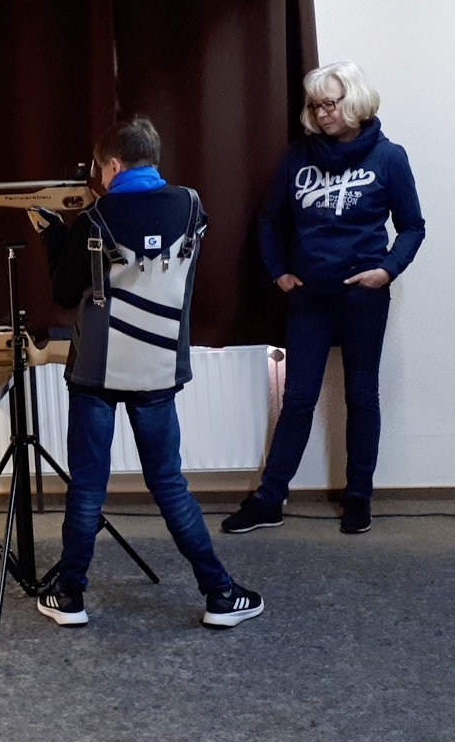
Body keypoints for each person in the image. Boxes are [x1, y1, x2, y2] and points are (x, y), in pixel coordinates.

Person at [30, 117, 264, 630]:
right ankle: (220, 593)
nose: (98, 179)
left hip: (95, 373)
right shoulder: (192, 205)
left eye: (100, 170)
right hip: (158, 371)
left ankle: (69, 596)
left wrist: (51, 235)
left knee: (87, 487)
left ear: (112, 165)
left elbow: (65, 294)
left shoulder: (93, 219)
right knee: (169, 484)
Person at [222, 61, 426, 536]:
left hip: (362, 299)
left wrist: (386, 271)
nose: (321, 114)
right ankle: (270, 499)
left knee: (362, 395)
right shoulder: (298, 157)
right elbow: (269, 220)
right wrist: (279, 273)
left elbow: (412, 227)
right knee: (297, 398)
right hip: (309, 298)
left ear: (353, 101)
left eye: (329, 104)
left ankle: (358, 497)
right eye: (314, 106)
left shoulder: (389, 157)